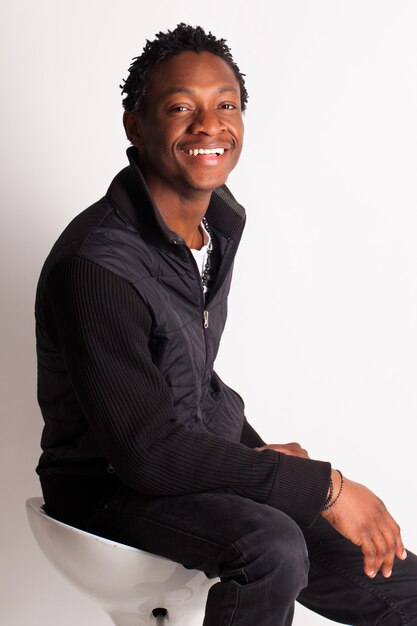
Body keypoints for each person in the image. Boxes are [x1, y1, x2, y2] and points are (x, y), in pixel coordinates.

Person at [35, 23, 417, 625]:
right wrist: (321, 486)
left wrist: (255, 456)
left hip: (185, 461)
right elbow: (145, 452)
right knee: (271, 545)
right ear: (135, 124)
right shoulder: (98, 265)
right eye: (181, 107)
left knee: (396, 578)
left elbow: (189, 378)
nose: (209, 125)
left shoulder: (218, 227)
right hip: (102, 486)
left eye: (226, 105)